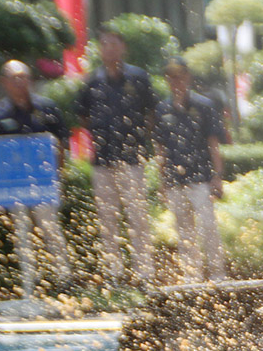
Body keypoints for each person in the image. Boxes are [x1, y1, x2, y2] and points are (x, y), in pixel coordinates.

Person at [75, 25, 159, 288]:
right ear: (99, 49)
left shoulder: (138, 77)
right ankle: (114, 273)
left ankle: (144, 273)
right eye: (105, 44)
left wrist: (140, 139)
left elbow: (152, 114)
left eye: (114, 43)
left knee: (138, 217)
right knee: (107, 218)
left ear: (123, 48)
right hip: (102, 161)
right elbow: (82, 116)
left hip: (132, 159)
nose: (109, 48)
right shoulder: (91, 81)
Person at [0, 60, 73, 298]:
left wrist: (60, 178)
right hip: (15, 189)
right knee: (22, 237)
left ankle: (64, 282)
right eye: (14, 78)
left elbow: (62, 145)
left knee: (51, 231)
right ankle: (29, 286)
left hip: (45, 185)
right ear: (4, 82)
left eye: (24, 77)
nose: (20, 82)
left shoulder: (47, 108)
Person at [154, 57, 227, 283]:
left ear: (188, 77)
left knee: (208, 227)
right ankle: (191, 275)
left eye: (181, 75)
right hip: (175, 179)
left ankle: (217, 274)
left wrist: (217, 176)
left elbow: (213, 143)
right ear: (167, 80)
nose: (177, 81)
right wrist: (162, 181)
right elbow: (161, 150)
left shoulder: (204, 106)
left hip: (200, 177)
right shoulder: (162, 109)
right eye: (172, 77)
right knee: (184, 230)